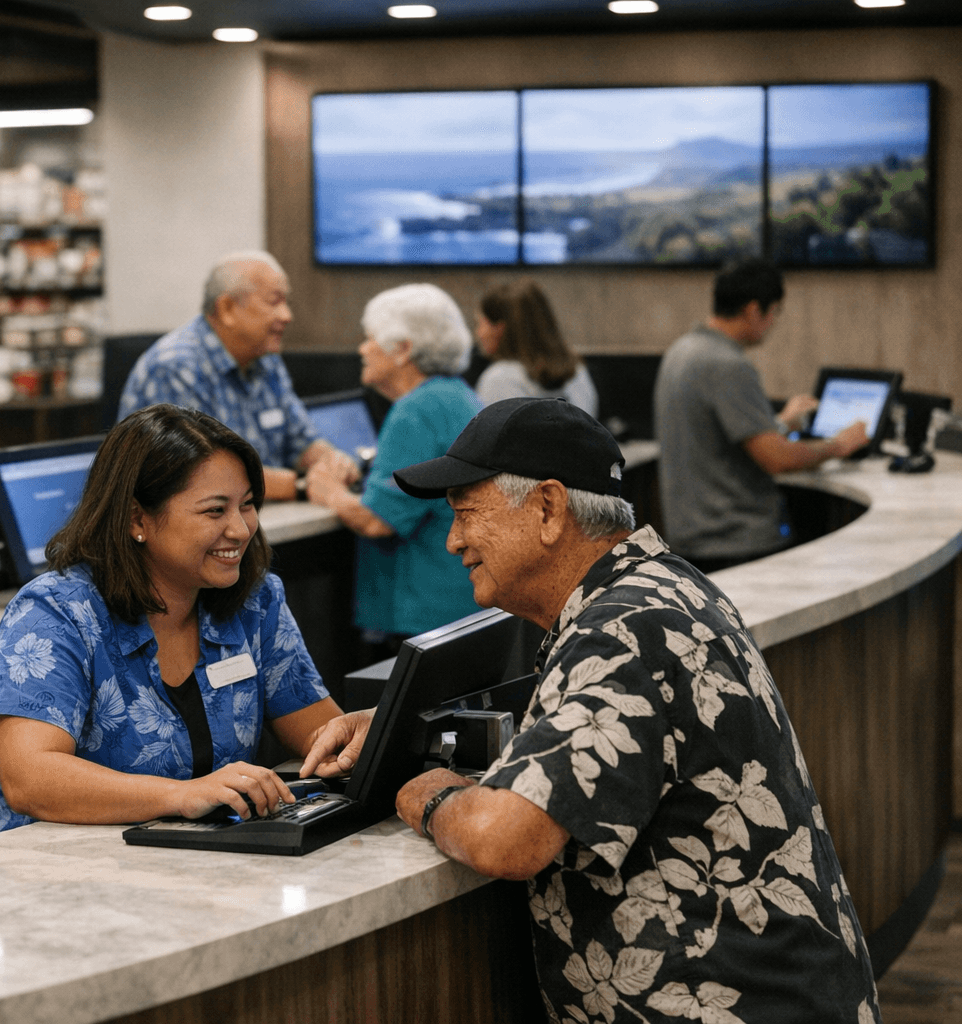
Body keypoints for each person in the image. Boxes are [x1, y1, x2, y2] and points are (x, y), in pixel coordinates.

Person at [301, 397, 881, 1021]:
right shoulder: (655, 586)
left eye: (467, 514)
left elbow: (507, 841)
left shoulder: (622, 631)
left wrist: (427, 795)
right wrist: (394, 730)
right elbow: (593, 742)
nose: (453, 541)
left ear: (549, 509)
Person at [0, 404, 345, 843]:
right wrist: (181, 795)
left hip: (162, 865)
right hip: (26, 870)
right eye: (215, 511)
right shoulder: (57, 612)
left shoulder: (255, 600)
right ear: (138, 519)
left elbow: (321, 738)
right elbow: (30, 779)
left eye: (247, 505)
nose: (240, 529)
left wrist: (360, 734)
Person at [654, 258, 869, 571]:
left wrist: (781, 423)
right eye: (774, 312)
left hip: (693, 539)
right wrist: (841, 444)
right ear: (755, 310)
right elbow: (777, 460)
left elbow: (717, 442)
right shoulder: (728, 365)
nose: (773, 323)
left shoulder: (682, 351)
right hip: (736, 543)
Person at [304, 283, 482, 643]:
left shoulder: (416, 410)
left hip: (421, 613)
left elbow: (376, 521)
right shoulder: (457, 395)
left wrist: (329, 490)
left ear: (402, 350)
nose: (362, 349)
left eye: (370, 338)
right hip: (462, 603)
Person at [117, 251, 360, 501]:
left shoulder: (267, 360)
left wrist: (334, 464)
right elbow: (199, 475)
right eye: (274, 302)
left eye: (287, 303)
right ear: (227, 308)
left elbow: (301, 441)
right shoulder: (174, 368)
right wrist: (300, 486)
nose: (287, 316)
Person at [473, 278, 598, 417]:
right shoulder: (577, 372)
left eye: (480, 323)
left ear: (499, 329)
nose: (478, 333)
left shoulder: (497, 380)